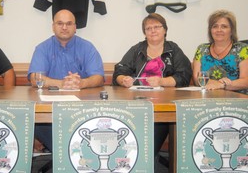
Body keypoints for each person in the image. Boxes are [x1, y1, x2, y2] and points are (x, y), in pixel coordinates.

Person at [112, 13, 192, 157]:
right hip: (136, 104)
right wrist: (123, 79)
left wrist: (162, 81)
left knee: (148, 145)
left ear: (165, 30)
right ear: (144, 32)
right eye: (148, 28)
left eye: (157, 27)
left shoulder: (173, 50)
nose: (153, 31)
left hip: (163, 106)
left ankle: (145, 157)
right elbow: (119, 71)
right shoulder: (137, 50)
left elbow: (184, 76)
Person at [28, 9, 104, 151]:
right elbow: (35, 78)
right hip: (49, 109)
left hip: (82, 108)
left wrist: (82, 83)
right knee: (34, 120)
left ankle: (77, 153)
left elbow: (98, 77)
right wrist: (62, 84)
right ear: (53, 26)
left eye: (69, 24)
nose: (64, 27)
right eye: (60, 23)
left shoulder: (87, 47)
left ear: (75, 27)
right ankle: (65, 153)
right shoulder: (42, 48)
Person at [193, 9, 248, 94]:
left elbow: (245, 81)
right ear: (210, 30)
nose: (219, 30)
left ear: (231, 31)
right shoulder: (201, 49)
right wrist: (219, 84)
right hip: (208, 97)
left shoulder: (242, 49)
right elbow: (197, 80)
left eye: (224, 26)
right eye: (215, 26)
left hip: (237, 100)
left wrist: (222, 85)